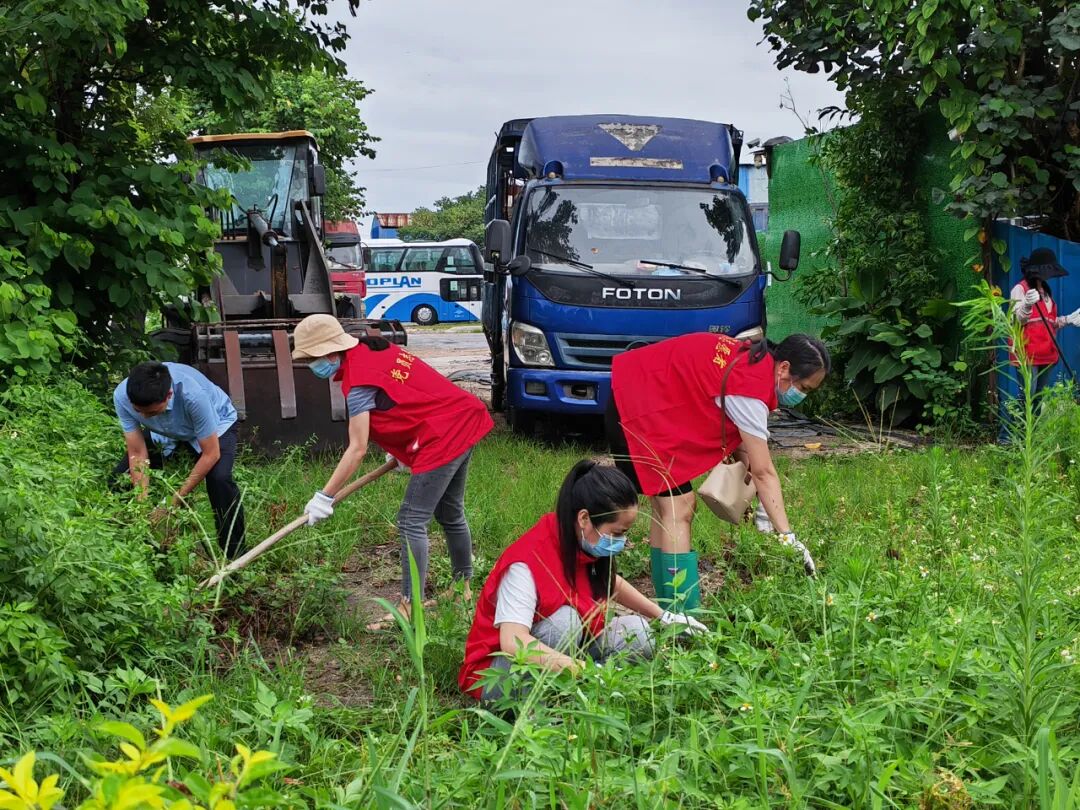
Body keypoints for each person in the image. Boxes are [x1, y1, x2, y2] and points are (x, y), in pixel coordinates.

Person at [291, 314, 493, 629]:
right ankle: (461, 590)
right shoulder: (373, 348)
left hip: (442, 434)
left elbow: (356, 449)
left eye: (312, 359)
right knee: (450, 512)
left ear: (331, 352)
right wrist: (401, 446)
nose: (311, 366)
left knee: (411, 520)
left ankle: (410, 608)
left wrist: (324, 496)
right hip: (462, 416)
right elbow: (405, 396)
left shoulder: (358, 382)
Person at [606, 332, 831, 607]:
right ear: (784, 368)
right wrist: (787, 536)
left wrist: (763, 503)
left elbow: (746, 447)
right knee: (679, 508)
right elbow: (764, 471)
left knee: (666, 508)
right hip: (636, 410)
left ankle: (667, 602)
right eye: (804, 388)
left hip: (638, 395)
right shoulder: (751, 386)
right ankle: (683, 613)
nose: (801, 396)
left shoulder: (753, 360)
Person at [458, 460, 706, 702]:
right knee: (565, 622)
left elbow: (612, 584)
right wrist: (582, 670)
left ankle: (580, 690)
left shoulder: (581, 542)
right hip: (500, 674)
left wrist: (664, 617)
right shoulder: (527, 562)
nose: (622, 542)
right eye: (617, 532)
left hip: (565, 652)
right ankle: (549, 702)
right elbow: (513, 641)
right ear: (585, 518)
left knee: (640, 634)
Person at [112, 361, 245, 558]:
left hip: (216, 425)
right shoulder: (122, 396)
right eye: (139, 411)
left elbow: (211, 453)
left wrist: (173, 502)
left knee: (219, 480)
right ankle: (135, 546)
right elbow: (137, 452)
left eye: (151, 413)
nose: (144, 417)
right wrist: (142, 503)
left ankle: (235, 556)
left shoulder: (193, 395)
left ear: (169, 396)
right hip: (167, 432)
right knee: (119, 480)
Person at [1009, 247, 1079, 399]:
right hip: (1027, 354)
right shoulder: (1020, 289)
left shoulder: (1046, 292)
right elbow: (1018, 320)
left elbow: (1048, 323)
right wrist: (1027, 305)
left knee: (1038, 399)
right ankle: (1023, 424)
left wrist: (1067, 320)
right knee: (1027, 399)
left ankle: (1037, 424)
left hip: (1047, 353)